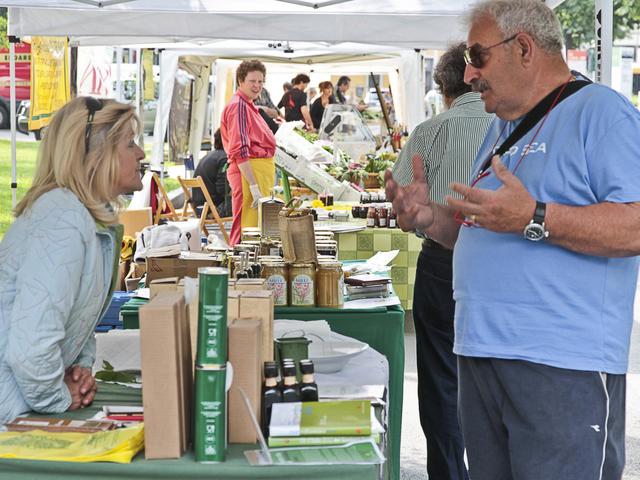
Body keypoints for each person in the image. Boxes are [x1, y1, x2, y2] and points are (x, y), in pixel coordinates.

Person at [385, 1, 640, 479]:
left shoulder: (602, 113)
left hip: (561, 364)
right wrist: (430, 218)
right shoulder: (501, 126)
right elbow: (479, 232)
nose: (470, 72)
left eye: (478, 56)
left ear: (524, 47)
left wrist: (536, 215)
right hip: (482, 354)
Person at [0, 96, 145, 425]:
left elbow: (72, 316)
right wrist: (58, 395)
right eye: (130, 144)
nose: (141, 154)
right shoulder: (63, 218)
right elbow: (30, 350)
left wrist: (78, 367)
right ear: (97, 157)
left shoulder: (76, 216)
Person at [391, 43, 493, 480]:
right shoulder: (515, 125)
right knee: (498, 383)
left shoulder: (431, 130)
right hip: (504, 267)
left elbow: (399, 200)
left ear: (445, 87)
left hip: (442, 262)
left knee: (441, 385)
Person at [221, 59, 276, 246]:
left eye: (261, 82)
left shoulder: (249, 104)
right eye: (252, 81)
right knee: (246, 228)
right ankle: (238, 269)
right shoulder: (239, 106)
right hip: (249, 173)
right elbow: (239, 148)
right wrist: (253, 185)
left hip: (256, 172)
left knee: (254, 228)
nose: (257, 86)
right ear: (240, 81)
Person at [192, 128, 232, 218]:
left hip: (198, 207)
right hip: (212, 209)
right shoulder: (224, 158)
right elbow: (222, 189)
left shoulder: (209, 155)